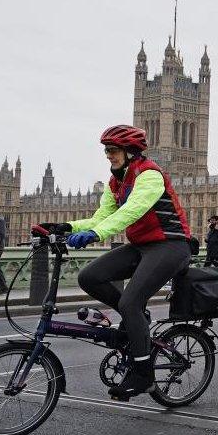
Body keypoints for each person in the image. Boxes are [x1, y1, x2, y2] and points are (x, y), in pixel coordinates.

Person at [47, 125, 192, 400]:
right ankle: (137, 317)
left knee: (129, 302)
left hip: (171, 245)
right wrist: (66, 226)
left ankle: (143, 374)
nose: (108, 156)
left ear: (130, 151)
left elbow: (132, 210)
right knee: (89, 277)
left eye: (113, 150)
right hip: (142, 246)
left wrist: (95, 235)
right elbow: (100, 217)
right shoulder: (117, 182)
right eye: (106, 151)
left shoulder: (149, 175)